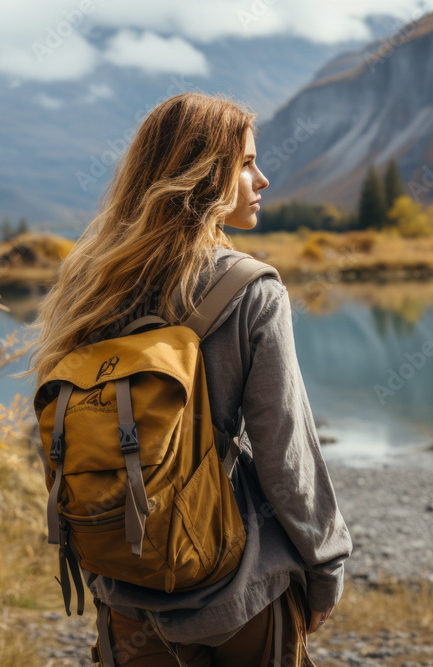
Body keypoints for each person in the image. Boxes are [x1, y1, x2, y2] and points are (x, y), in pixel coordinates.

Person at [24, 91, 352, 666]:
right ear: (202, 176)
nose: (263, 179)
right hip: (240, 584)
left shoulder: (90, 284)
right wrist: (325, 566)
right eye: (246, 163)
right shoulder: (252, 290)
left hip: (124, 580)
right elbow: (286, 453)